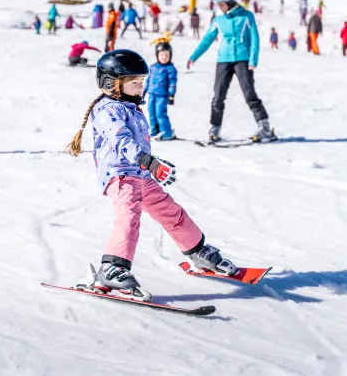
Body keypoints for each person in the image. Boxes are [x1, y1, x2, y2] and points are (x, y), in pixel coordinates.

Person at [65, 49, 237, 297]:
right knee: (129, 216)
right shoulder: (107, 110)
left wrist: (151, 165)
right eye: (135, 83)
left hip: (141, 175)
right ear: (111, 84)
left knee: (171, 211)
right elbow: (121, 140)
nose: (140, 87)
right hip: (120, 175)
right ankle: (112, 268)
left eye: (142, 82)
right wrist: (146, 159)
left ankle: (196, 250)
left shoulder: (130, 106)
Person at [188, 0, 276, 143]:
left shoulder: (246, 16)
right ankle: (214, 128)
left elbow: (255, 38)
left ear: (229, 2)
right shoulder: (218, 20)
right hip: (223, 59)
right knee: (218, 96)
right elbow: (207, 39)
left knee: (249, 94)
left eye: (221, 4)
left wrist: (253, 60)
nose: (219, 8)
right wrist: (194, 56)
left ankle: (265, 127)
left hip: (242, 59)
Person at [144, 42, 178, 140]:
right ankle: (155, 130)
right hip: (152, 94)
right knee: (151, 112)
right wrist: (143, 91)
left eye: (166, 55)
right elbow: (148, 80)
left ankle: (167, 132)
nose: (164, 57)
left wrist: (171, 95)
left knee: (160, 113)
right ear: (157, 55)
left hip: (162, 95)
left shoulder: (170, 69)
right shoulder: (153, 67)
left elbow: (172, 82)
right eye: (161, 55)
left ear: (170, 55)